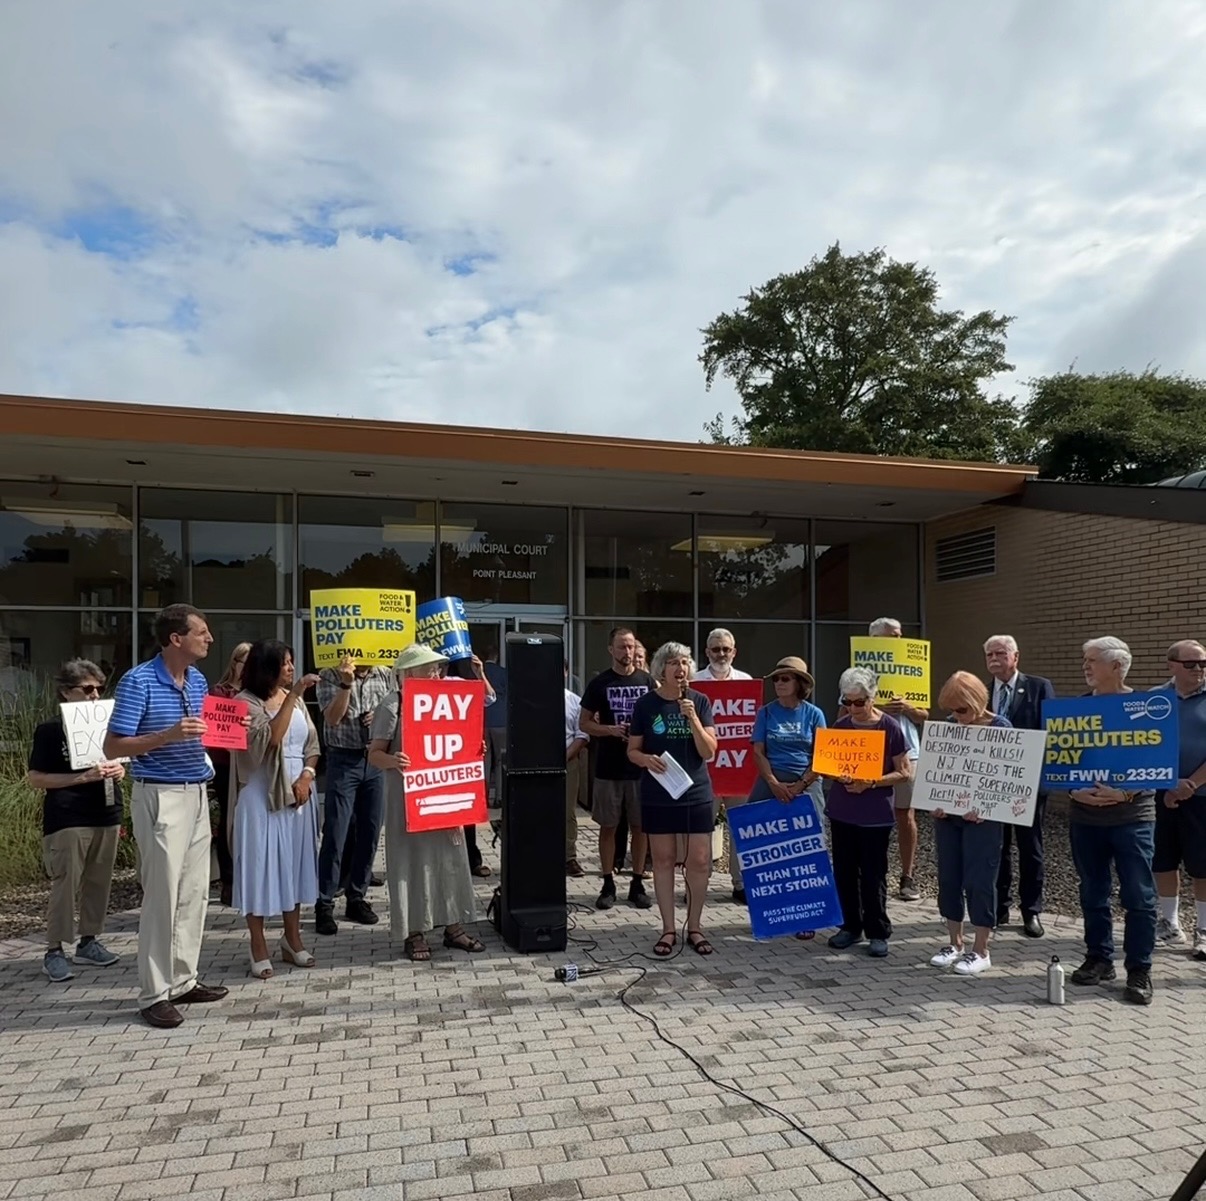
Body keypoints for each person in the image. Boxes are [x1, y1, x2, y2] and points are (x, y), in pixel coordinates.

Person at [104, 604, 229, 1029]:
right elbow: (113, 746)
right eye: (202, 632)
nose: (209, 639)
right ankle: (154, 993)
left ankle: (183, 979)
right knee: (162, 896)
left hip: (196, 793)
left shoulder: (196, 679)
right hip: (160, 795)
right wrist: (167, 736)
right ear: (176, 638)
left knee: (195, 892)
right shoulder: (138, 681)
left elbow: (203, 732)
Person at [368, 643, 484, 961]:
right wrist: (394, 760)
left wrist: (474, 749)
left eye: (437, 667)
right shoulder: (394, 703)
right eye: (430, 667)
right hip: (407, 801)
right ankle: (414, 932)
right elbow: (374, 753)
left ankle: (454, 927)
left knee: (451, 860)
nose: (437, 672)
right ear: (410, 672)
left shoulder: (448, 700)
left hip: (444, 798)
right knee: (411, 865)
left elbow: (458, 741)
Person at [1066, 636, 1157, 1005]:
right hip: (1085, 818)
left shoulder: (1148, 709)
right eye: (1084, 660)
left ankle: (1140, 970)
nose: (1085, 666)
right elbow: (1058, 762)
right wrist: (1073, 791)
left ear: (1117, 666)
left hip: (1132, 818)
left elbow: (1159, 763)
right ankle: (1099, 958)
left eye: (1092, 661)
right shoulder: (1073, 711)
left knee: (1139, 895)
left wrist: (1126, 792)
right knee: (1093, 891)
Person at [27, 659, 125, 983]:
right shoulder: (51, 729)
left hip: (106, 810)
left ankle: (89, 941)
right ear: (67, 693)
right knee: (65, 883)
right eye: (87, 689)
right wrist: (81, 778)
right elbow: (36, 778)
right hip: (68, 816)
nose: (95, 695)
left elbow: (121, 761)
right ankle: (54, 950)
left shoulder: (109, 727)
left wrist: (119, 769)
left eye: (99, 688)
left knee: (99, 881)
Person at [229, 641, 321, 979]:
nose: (290, 668)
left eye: (292, 662)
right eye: (284, 663)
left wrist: (308, 775)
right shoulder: (245, 702)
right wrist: (294, 695)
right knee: (260, 867)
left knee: (293, 868)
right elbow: (269, 740)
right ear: (266, 667)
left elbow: (312, 744)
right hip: (261, 795)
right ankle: (257, 944)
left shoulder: (295, 703)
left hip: (297, 794)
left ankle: (292, 939)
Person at [627, 643, 719, 956]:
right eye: (672, 663)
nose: (679, 668)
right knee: (663, 860)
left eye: (684, 662)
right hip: (659, 792)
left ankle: (694, 927)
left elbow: (709, 751)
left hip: (695, 792)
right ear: (660, 669)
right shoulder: (646, 705)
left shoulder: (700, 701)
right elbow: (632, 750)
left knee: (699, 861)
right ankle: (668, 929)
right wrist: (645, 760)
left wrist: (692, 719)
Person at [823, 666, 912, 958]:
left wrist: (871, 782)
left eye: (858, 702)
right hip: (842, 811)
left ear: (872, 698)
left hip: (875, 814)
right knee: (845, 873)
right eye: (846, 702)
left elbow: (904, 772)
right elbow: (828, 767)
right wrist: (839, 776)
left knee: (874, 874)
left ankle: (877, 931)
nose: (852, 708)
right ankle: (850, 926)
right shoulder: (840, 728)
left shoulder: (890, 727)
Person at [927, 672, 1008, 976]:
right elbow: (937, 771)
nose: (957, 717)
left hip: (983, 821)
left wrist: (987, 807)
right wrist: (935, 801)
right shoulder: (949, 727)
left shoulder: (1001, 728)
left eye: (962, 710)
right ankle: (954, 943)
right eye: (952, 710)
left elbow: (1008, 778)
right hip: (949, 818)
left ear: (977, 702)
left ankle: (981, 949)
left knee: (979, 881)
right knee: (949, 878)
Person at [314, 653, 394, 936]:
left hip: (374, 760)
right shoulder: (329, 675)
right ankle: (323, 903)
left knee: (371, 832)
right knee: (336, 832)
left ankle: (356, 897)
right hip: (343, 759)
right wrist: (346, 686)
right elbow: (332, 719)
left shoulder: (384, 673)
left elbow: (396, 710)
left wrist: (380, 717)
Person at [736, 657, 826, 906]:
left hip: (806, 781)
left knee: (809, 845)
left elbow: (822, 757)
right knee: (759, 842)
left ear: (800, 683)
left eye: (785, 678)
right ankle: (767, 905)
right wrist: (773, 783)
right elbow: (758, 752)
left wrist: (800, 785)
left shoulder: (814, 714)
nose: (778, 683)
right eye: (776, 678)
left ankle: (808, 906)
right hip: (771, 779)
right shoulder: (766, 712)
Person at [983, 634, 1055, 938]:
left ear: (1016, 656)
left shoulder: (1039, 687)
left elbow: (1052, 732)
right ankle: (999, 907)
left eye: (1000, 653)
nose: (994, 659)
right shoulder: (981, 692)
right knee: (997, 847)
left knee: (1030, 848)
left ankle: (1031, 911)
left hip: (1028, 784)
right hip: (992, 784)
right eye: (989, 655)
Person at [579, 628, 654, 911]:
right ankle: (608, 881)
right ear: (611, 649)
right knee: (608, 827)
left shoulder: (647, 681)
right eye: (622, 646)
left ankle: (637, 883)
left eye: (631, 646)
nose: (628, 652)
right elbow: (583, 724)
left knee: (640, 827)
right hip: (609, 767)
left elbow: (657, 720)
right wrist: (609, 729)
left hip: (640, 768)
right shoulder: (600, 683)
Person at [860, 618, 927, 901]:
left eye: (900, 636)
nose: (898, 642)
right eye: (892, 637)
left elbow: (924, 715)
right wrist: (878, 708)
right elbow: (842, 715)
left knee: (905, 815)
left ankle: (907, 877)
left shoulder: (913, 670)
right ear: (876, 641)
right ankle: (873, 873)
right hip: (872, 753)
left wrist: (909, 708)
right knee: (869, 815)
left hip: (908, 752)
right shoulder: (859, 675)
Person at [1152, 640, 1206, 955]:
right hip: (1163, 794)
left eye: (1203, 663)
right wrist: (1170, 785)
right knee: (1163, 859)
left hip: (1202, 797)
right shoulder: (1154, 699)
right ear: (1171, 664)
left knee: (1203, 866)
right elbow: (1144, 747)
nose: (1198, 669)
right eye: (1191, 663)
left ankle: (1203, 930)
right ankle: (1170, 924)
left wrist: (1190, 785)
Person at [209, 641, 250, 907]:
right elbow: (213, 731)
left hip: (251, 764)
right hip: (225, 763)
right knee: (228, 822)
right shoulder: (219, 692)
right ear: (234, 663)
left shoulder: (259, 693)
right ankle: (229, 880)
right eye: (243, 661)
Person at [564, 666, 588, 877]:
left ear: (565, 673)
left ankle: (569, 857)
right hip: (538, 763)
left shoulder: (574, 701)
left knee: (567, 811)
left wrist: (566, 755)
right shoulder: (531, 699)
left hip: (568, 760)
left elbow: (582, 734)